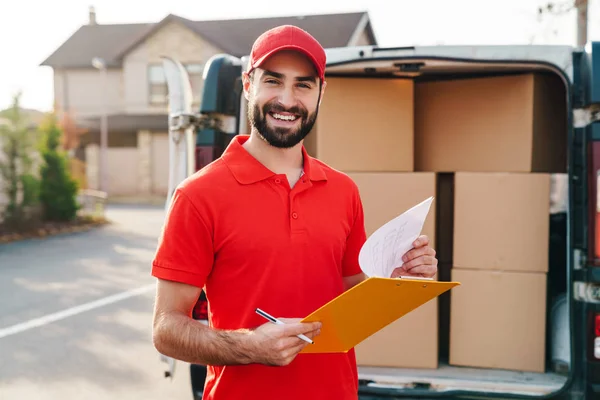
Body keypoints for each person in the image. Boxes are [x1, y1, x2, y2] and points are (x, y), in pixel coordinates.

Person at [151, 25, 438, 400]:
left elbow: (351, 291)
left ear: (321, 93)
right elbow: (166, 329)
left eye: (303, 85)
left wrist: (396, 278)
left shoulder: (343, 191)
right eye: (273, 81)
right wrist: (249, 346)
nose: (287, 100)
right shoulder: (198, 195)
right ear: (248, 84)